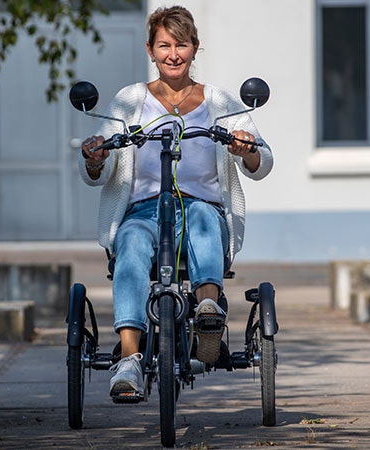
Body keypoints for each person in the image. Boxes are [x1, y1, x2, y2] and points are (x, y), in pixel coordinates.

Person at [79, 5, 273, 398]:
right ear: (150, 49)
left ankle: (207, 316)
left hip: (201, 208)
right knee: (130, 242)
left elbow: (261, 161)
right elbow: (98, 163)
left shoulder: (219, 103)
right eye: (164, 45)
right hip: (144, 211)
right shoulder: (128, 102)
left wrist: (246, 148)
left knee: (202, 216)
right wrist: (96, 155)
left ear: (195, 48)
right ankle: (130, 361)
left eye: (181, 45)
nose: (173, 54)